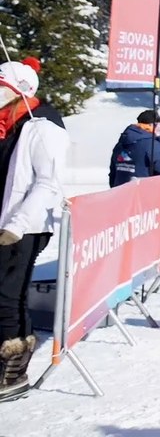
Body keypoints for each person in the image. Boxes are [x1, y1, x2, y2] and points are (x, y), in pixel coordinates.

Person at [0, 57, 67, 402]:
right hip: (7, 222)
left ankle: (13, 370)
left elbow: (48, 183)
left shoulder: (42, 126)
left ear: (18, 93)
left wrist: (16, 225)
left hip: (23, 226)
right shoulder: (10, 124)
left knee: (8, 296)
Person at [107, 110, 160, 187]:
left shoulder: (120, 144)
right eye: (159, 125)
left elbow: (113, 174)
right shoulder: (151, 145)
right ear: (151, 125)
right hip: (143, 195)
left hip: (121, 194)